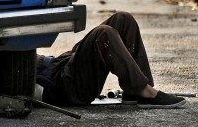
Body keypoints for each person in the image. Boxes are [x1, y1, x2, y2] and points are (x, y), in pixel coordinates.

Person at [36, 11, 186, 108]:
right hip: (63, 87)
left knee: (123, 19)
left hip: (59, 64)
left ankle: (137, 91)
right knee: (103, 35)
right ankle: (143, 90)